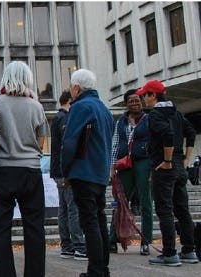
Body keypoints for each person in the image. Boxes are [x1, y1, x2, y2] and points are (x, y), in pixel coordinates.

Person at [0, 61, 49, 277]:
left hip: (1, 170)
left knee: (1, 229)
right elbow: (41, 141)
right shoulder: (36, 106)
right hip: (30, 170)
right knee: (35, 228)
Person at [137, 80, 199, 266]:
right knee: (182, 210)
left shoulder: (155, 114)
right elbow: (191, 133)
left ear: (153, 96)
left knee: (165, 211)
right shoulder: (176, 113)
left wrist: (167, 160)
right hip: (180, 167)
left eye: (144, 95)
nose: (142, 99)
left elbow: (168, 135)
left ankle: (170, 253)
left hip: (165, 168)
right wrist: (186, 159)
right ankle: (189, 250)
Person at [61, 69, 113, 277]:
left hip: (83, 171)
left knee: (89, 221)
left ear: (76, 88)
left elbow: (70, 141)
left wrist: (65, 171)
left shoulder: (81, 107)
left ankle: (95, 270)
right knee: (99, 219)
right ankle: (103, 268)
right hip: (100, 172)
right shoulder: (104, 108)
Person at [107, 89, 153, 255]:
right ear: (126, 103)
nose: (135, 103)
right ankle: (113, 239)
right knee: (120, 201)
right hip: (125, 165)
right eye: (131, 101)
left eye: (137, 100)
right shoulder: (121, 122)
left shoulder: (148, 120)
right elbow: (115, 144)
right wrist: (112, 168)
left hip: (143, 163)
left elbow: (154, 143)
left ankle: (146, 241)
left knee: (146, 202)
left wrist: (152, 168)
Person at [51, 91, 87, 261]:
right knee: (72, 207)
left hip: (58, 169)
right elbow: (68, 145)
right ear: (70, 101)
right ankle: (78, 245)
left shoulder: (57, 118)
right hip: (66, 169)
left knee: (64, 208)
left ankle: (67, 246)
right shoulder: (65, 118)